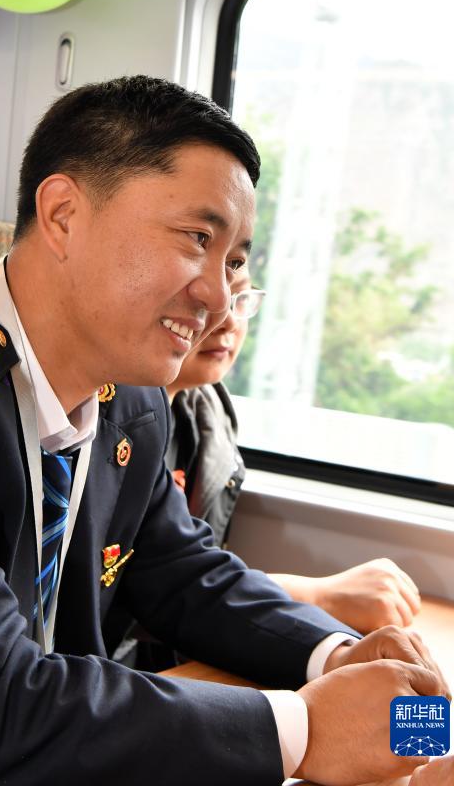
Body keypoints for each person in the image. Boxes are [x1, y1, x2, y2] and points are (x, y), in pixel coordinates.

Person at [0, 75, 448, 786]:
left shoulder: (131, 394)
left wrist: (332, 654)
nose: (220, 295)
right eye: (197, 239)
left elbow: (184, 573)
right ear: (64, 215)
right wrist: (305, 729)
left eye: (234, 261)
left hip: (59, 760)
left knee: (447, 762)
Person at [167, 267, 422, 635]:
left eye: (240, 299)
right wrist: (318, 596)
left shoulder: (209, 413)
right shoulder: (115, 423)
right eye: (205, 301)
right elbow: (149, 593)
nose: (229, 323)